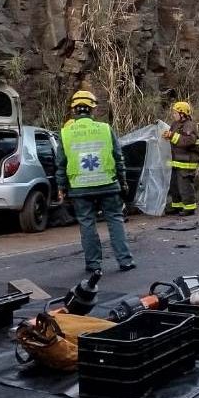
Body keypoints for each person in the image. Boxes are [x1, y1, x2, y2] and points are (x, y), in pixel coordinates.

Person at [56, 90, 135, 273]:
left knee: (87, 223)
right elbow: (118, 157)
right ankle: (125, 261)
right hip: (108, 184)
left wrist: (61, 187)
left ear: (74, 110)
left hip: (80, 188)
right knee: (115, 220)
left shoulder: (66, 133)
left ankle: (94, 265)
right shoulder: (105, 129)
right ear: (93, 109)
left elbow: (60, 163)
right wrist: (123, 181)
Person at [162, 101, 199, 216]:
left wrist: (172, 136)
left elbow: (188, 141)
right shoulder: (175, 124)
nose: (174, 115)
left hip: (187, 162)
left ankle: (189, 207)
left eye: (175, 113)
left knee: (185, 185)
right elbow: (173, 137)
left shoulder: (189, 125)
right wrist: (167, 135)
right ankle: (177, 206)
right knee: (175, 185)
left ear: (182, 114)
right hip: (177, 161)